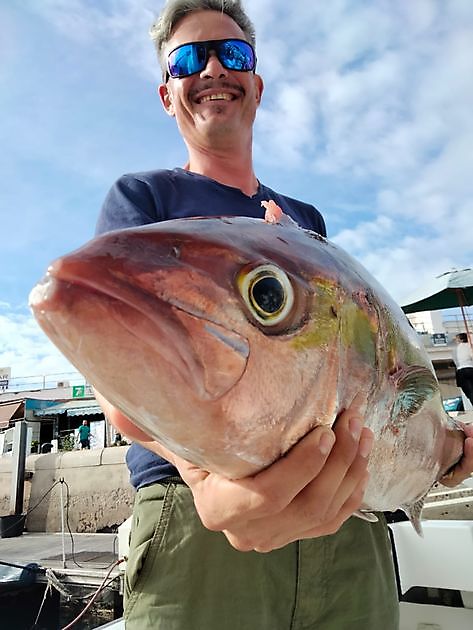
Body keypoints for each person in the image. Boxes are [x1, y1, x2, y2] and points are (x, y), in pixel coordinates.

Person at [94, 1, 473, 628]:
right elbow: (120, 362)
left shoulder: (307, 223)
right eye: (189, 59)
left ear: (258, 84)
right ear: (168, 94)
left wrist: (436, 450)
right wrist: (203, 477)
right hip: (200, 520)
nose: (213, 68)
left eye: (233, 54)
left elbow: (361, 371)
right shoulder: (145, 199)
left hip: (347, 510)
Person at [453, 333, 473, 406]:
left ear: (461, 339)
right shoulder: (470, 346)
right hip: (471, 368)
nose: (455, 341)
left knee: (469, 391)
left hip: (461, 371)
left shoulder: (456, 349)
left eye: (457, 339)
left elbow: (455, 360)